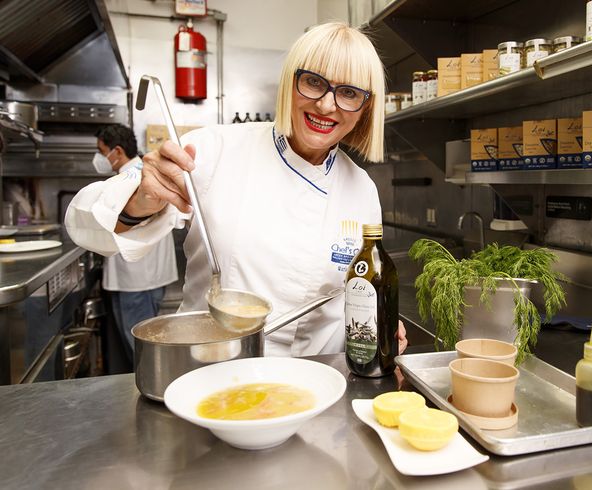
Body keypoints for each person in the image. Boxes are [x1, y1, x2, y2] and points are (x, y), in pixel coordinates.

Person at [65, 22, 407, 357]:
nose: (327, 105)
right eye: (314, 82)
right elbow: (90, 227)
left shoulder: (363, 190)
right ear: (291, 82)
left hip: (319, 385)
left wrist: (376, 322)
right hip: (211, 376)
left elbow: (356, 291)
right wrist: (139, 202)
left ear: (365, 108)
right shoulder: (212, 150)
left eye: (348, 92)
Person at [88, 125, 179, 363]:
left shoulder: (137, 178)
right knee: (136, 352)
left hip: (140, 282)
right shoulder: (132, 175)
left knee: (144, 356)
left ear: (117, 152)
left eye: (102, 151)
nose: (99, 158)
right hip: (133, 281)